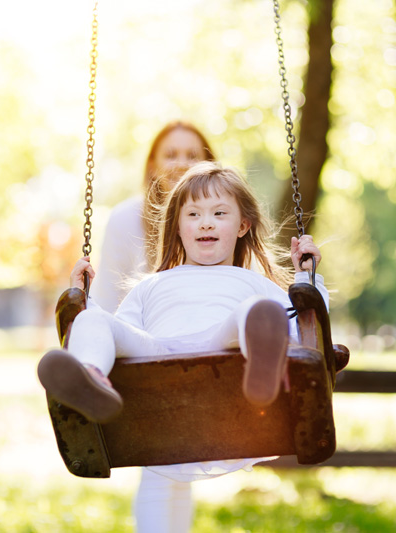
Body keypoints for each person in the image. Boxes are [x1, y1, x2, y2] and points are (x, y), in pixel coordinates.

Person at [39, 162, 329, 532]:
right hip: (157, 353)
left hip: (223, 349)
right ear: (178, 226)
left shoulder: (251, 282)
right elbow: (121, 334)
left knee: (257, 312)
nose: (205, 222)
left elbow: (307, 323)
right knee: (93, 322)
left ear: (242, 226)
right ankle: (90, 380)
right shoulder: (151, 286)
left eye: (219, 213)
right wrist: (87, 303)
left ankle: (261, 370)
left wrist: (307, 276)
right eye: (193, 214)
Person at [90, 121, 216, 313]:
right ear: (152, 166)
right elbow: (105, 300)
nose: (182, 164)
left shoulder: (224, 219)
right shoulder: (124, 219)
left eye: (192, 156)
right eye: (170, 155)